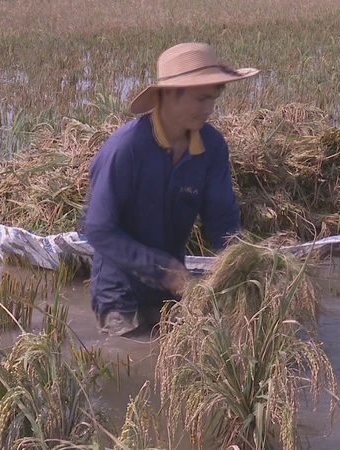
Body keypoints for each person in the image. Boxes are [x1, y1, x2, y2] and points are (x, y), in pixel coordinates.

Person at [82, 42, 259, 336]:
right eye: (200, 99)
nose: (209, 109)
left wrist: (245, 266)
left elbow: (223, 223)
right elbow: (97, 229)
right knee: (135, 367)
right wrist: (164, 269)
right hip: (120, 296)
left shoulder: (212, 147)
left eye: (213, 99)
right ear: (166, 95)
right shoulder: (126, 149)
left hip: (171, 294)